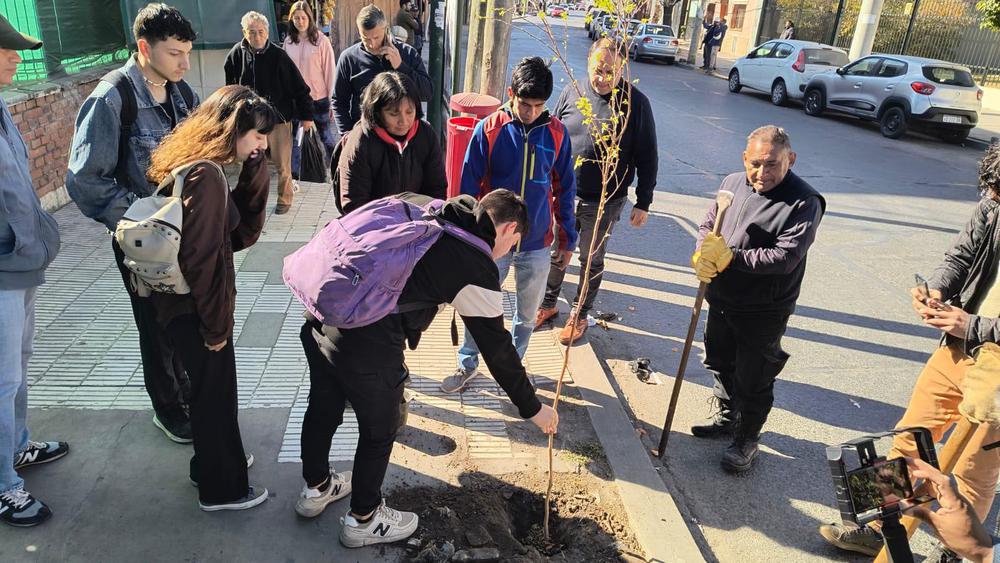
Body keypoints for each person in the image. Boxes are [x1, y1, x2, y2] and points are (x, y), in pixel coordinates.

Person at [295, 191, 560, 548]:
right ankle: (364, 519)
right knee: (380, 427)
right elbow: (498, 350)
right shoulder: (475, 264)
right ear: (510, 228)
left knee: (323, 406)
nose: (507, 253)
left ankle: (315, 489)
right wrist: (533, 408)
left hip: (320, 311)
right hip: (366, 340)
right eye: (513, 244)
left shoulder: (428, 207)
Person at [820, 143, 1000, 557]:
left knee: (973, 472)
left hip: (994, 375)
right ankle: (876, 528)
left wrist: (973, 324)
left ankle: (959, 552)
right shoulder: (994, 200)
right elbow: (961, 254)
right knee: (906, 443)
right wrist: (936, 287)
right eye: (991, 188)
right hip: (958, 350)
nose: (992, 197)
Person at [66, 2, 198, 444]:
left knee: (183, 320)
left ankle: (187, 395)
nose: (185, 62)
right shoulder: (111, 98)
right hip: (141, 241)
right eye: (175, 52)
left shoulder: (181, 93)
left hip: (181, 235)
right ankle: (169, 409)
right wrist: (140, 216)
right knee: (155, 326)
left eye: (187, 52)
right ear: (144, 47)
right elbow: (84, 182)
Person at [145, 85, 276, 511]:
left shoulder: (201, 168)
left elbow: (236, 235)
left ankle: (213, 464)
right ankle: (223, 490)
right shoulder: (207, 177)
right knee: (215, 395)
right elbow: (203, 261)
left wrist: (257, 173)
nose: (262, 143)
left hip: (181, 307)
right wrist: (216, 328)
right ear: (231, 127)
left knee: (207, 392)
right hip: (195, 309)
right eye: (256, 135)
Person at [690, 125, 825, 473]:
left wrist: (730, 257)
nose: (761, 173)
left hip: (764, 307)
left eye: (771, 165)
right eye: (755, 164)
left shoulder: (804, 201)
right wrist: (703, 249)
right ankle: (728, 416)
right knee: (720, 361)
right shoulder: (733, 183)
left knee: (754, 376)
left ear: (790, 160)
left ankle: (747, 437)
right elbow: (709, 225)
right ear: (744, 159)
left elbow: (785, 257)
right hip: (722, 297)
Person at [444, 56, 577, 393]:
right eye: (523, 103)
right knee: (478, 306)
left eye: (537, 105)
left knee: (527, 315)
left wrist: (567, 237)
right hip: (492, 244)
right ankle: (466, 364)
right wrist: (468, 239)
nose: (530, 111)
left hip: (537, 245)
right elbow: (468, 190)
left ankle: (513, 369)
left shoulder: (557, 134)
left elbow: (565, 188)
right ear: (510, 93)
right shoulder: (488, 130)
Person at [536, 38, 658, 345]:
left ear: (622, 70)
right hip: (562, 194)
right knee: (555, 252)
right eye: (597, 68)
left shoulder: (635, 104)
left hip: (603, 200)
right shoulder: (572, 92)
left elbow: (648, 156)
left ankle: (579, 313)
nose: (601, 77)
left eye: (609, 71)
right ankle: (548, 304)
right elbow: (550, 134)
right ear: (588, 63)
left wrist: (643, 201)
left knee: (590, 258)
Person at [0, 14, 68, 528]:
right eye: (6, 50)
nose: (16, 57)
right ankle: (4, 485)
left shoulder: (2, 109)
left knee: (18, 367)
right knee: (1, 380)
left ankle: (18, 448)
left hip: (20, 260)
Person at [225, 10, 314, 215]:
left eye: (261, 32)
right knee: (248, 163)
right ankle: (250, 201)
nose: (257, 36)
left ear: (267, 32)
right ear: (244, 32)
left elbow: (299, 87)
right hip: (248, 120)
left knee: (283, 163)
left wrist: (307, 116)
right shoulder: (235, 55)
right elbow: (230, 88)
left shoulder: (279, 56)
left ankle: (284, 199)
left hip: (278, 118)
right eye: (252, 32)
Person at [337, 72, 446, 213]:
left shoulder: (426, 135)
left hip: (418, 223)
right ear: (377, 112)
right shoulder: (360, 141)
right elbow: (354, 204)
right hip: (371, 226)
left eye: (409, 112)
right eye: (394, 113)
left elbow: (437, 190)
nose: (403, 121)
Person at [332, 4, 431, 135]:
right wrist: (347, 135)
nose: (372, 44)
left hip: (402, 136)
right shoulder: (349, 58)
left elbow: (427, 93)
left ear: (385, 29)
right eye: (366, 39)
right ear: (359, 32)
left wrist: (401, 66)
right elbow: (338, 101)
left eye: (376, 37)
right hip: (366, 137)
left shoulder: (407, 53)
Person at [283, 1, 336, 175]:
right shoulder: (289, 42)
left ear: (309, 18)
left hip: (318, 99)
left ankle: (337, 169)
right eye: (296, 18)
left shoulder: (321, 41)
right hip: (296, 101)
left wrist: (331, 101)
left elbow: (329, 72)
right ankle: (296, 175)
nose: (300, 21)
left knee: (326, 138)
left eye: (303, 17)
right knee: (296, 141)